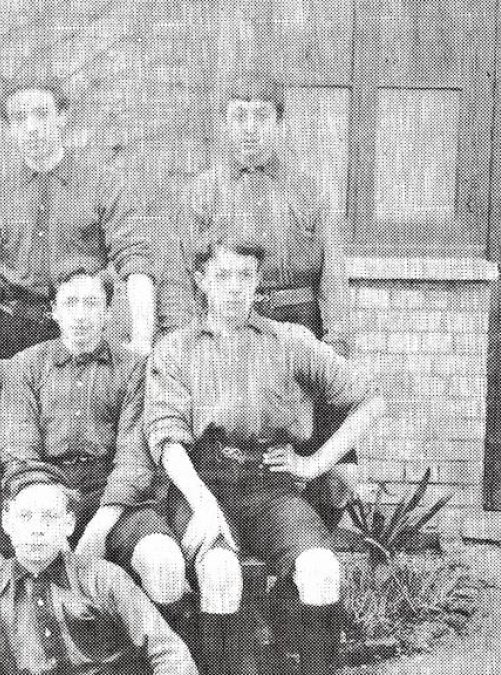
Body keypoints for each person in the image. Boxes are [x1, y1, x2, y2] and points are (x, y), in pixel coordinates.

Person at [144, 239, 384, 675]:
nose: (234, 288)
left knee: (321, 569)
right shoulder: (175, 349)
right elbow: (166, 439)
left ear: (258, 282)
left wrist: (313, 464)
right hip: (205, 483)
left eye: (245, 276)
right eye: (223, 276)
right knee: (218, 571)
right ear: (201, 280)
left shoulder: (290, 341)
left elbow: (370, 401)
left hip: (273, 486)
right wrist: (202, 503)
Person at [162, 73, 356, 527]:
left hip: (295, 332)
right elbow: (180, 284)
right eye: (239, 116)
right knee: (224, 462)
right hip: (224, 337)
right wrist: (189, 348)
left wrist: (337, 345)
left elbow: (333, 276)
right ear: (225, 125)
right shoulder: (199, 194)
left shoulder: (309, 189)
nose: (250, 127)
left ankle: (305, 565)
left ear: (280, 125)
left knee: (320, 480)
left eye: (262, 116)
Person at [0, 262, 193, 641]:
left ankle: (163, 659)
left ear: (108, 311)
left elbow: (134, 456)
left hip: (113, 496)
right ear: (53, 310)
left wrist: (102, 522)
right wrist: (52, 518)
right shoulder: (25, 366)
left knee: (163, 561)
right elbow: (19, 453)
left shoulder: (135, 368)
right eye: (70, 303)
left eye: (92, 304)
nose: (81, 315)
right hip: (42, 490)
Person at [0, 77, 164, 359]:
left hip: (78, 328)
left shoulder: (102, 184)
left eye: (41, 114)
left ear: (62, 117)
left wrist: (142, 339)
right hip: (8, 332)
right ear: (9, 128)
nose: (31, 128)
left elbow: (136, 262)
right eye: (19, 118)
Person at [0, 462, 197, 675]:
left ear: (68, 524)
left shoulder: (103, 577)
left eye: (49, 517)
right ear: (6, 522)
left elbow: (168, 651)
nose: (36, 529)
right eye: (25, 517)